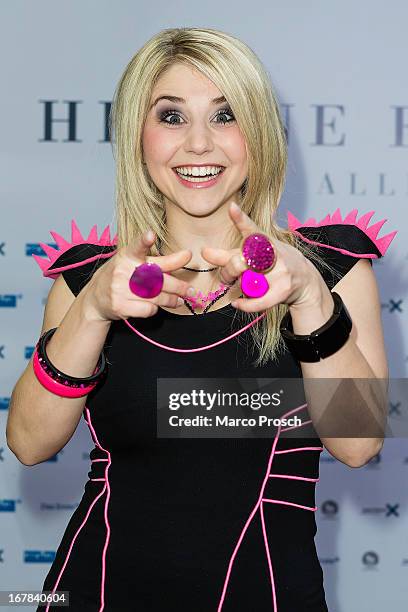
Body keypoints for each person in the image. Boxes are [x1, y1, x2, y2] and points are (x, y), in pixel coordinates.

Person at [7, 27, 396, 612]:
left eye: (224, 115)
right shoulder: (89, 281)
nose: (197, 143)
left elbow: (360, 444)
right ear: (138, 136)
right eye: (170, 116)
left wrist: (311, 300)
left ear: (258, 134)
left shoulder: (329, 270)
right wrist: (90, 311)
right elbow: (30, 444)